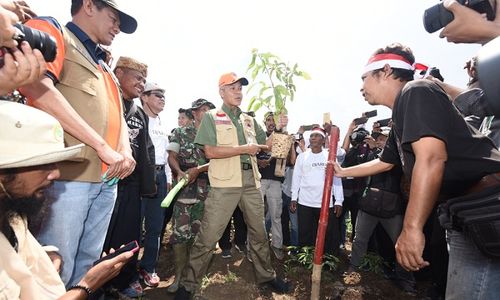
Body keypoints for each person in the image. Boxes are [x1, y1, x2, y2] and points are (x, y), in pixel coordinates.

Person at [334, 43, 500, 299]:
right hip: (464, 212)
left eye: (365, 78)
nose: (361, 86)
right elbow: (385, 162)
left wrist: (411, 228)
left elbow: (432, 158)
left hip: (485, 205)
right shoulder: (401, 114)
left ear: (386, 71)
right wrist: (341, 172)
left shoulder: (416, 90)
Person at [19, 0, 138, 286]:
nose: (117, 28)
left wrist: (125, 150)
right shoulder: (54, 34)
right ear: (88, 5)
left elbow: (118, 116)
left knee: (89, 263)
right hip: (66, 178)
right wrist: (100, 145)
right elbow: (36, 86)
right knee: (56, 265)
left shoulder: (105, 67)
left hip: (107, 178)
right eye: (113, 19)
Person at [0, 100, 134, 299]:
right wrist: (87, 285)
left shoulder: (14, 219)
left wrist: (42, 260)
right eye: (43, 164)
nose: (55, 173)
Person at [175, 72, 290, 299]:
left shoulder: (249, 120)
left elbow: (265, 146)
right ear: (221, 91)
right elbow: (210, 151)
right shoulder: (212, 116)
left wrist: (278, 128)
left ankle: (266, 276)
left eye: (240, 88)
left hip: (250, 181)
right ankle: (188, 285)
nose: (238, 92)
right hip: (225, 183)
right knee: (208, 235)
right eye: (233, 88)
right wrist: (244, 149)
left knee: (258, 233)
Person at [101, 56, 155, 298]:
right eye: (137, 77)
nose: (142, 83)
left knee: (129, 235)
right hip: (104, 179)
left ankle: (125, 279)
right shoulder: (105, 100)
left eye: (144, 80)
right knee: (102, 235)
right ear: (119, 73)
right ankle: (97, 283)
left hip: (130, 185)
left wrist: (147, 186)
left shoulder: (139, 113)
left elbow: (145, 151)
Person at [347, 128, 417, 295]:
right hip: (369, 205)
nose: (380, 141)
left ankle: (406, 279)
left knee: (400, 244)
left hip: (392, 208)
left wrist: (379, 150)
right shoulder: (370, 154)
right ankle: (353, 268)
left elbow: (389, 166)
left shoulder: (401, 156)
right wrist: (372, 149)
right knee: (359, 239)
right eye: (378, 139)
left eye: (384, 139)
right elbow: (356, 163)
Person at [166, 98, 214, 292]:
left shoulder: (215, 136)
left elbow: (218, 161)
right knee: (179, 234)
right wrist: (178, 171)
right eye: (203, 110)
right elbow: (172, 156)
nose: (207, 113)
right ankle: (178, 277)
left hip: (207, 190)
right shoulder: (180, 132)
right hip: (185, 189)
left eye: (210, 110)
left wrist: (199, 170)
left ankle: (193, 278)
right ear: (194, 113)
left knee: (201, 235)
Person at [137, 82, 171, 289]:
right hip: (140, 176)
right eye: (157, 95)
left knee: (155, 228)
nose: (162, 99)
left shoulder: (162, 125)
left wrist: (167, 178)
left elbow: (167, 155)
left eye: (164, 96)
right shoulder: (136, 119)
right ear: (144, 97)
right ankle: (128, 272)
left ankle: (148, 268)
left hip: (160, 177)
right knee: (132, 226)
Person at [290, 127, 344, 255]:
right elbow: (296, 178)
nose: (313, 138)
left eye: (317, 136)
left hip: (325, 203)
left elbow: (337, 179)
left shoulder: (330, 156)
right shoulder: (302, 157)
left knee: (328, 233)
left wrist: (339, 201)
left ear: (323, 140)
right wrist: (293, 198)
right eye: (312, 136)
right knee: (306, 233)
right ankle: (306, 259)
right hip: (305, 202)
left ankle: (327, 261)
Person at [257, 111, 286, 259]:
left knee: (276, 215)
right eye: (268, 120)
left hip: (275, 180)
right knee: (256, 216)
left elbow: (282, 157)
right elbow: (251, 154)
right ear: (264, 122)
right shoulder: (258, 135)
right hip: (259, 180)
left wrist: (268, 161)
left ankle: (277, 245)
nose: (270, 122)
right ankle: (255, 248)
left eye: (273, 120)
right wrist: (258, 162)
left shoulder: (281, 136)